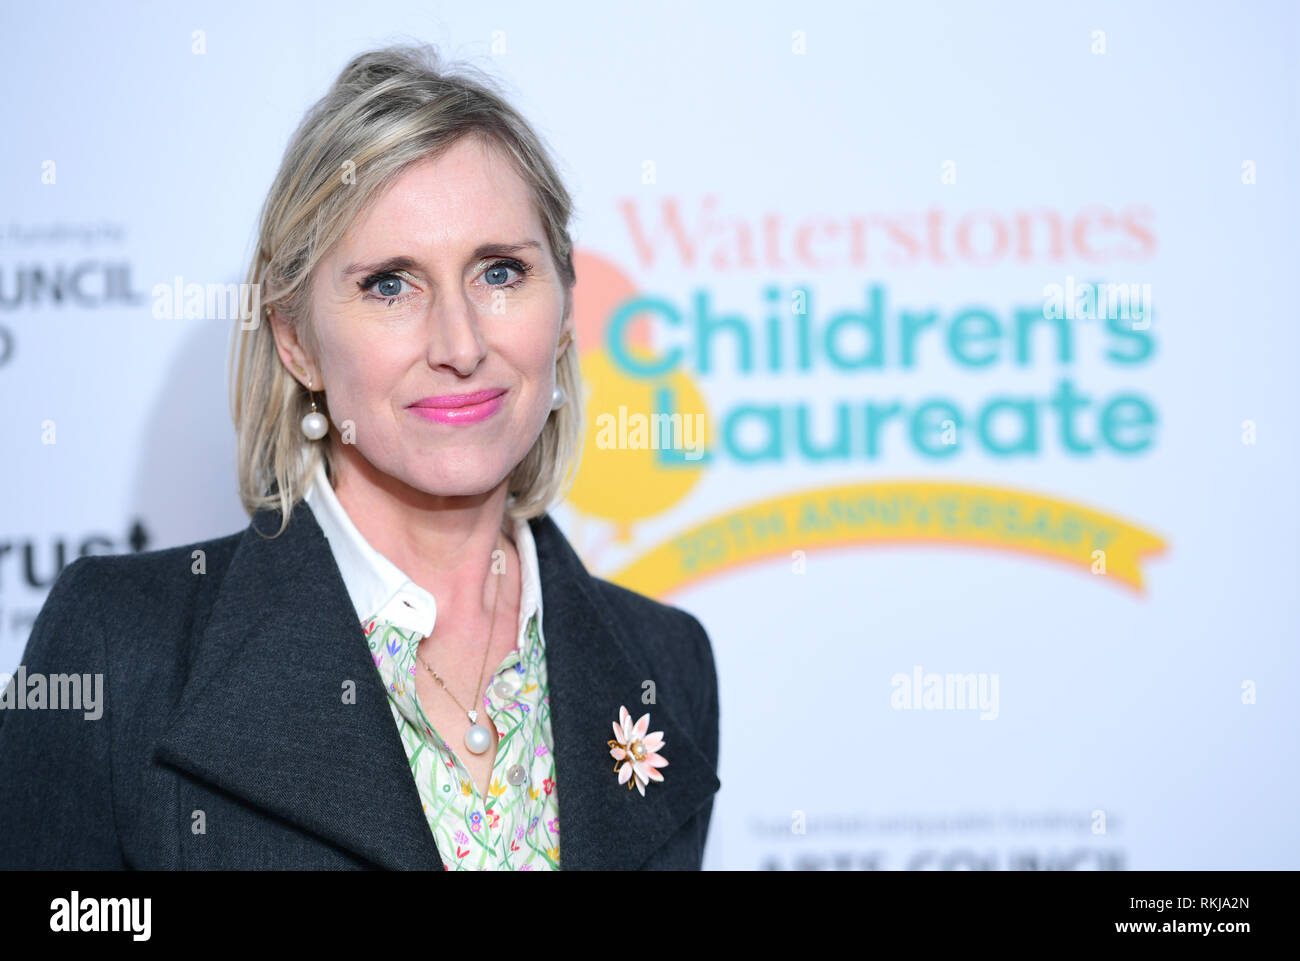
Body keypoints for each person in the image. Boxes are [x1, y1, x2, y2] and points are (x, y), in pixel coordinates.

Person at [0, 43, 720, 870]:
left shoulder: (666, 664)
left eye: (499, 271)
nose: (460, 343)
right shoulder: (119, 648)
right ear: (297, 340)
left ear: (561, 311)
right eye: (389, 284)